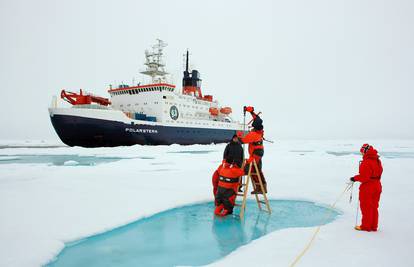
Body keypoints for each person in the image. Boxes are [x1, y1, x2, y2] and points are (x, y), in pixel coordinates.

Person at [350, 144, 383, 232]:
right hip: (377, 185)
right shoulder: (377, 160)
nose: (361, 154)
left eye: (362, 152)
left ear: (365, 152)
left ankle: (366, 226)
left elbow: (364, 177)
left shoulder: (366, 162)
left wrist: (354, 178)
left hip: (368, 187)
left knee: (366, 207)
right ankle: (373, 226)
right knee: (374, 207)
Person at [237, 106, 267, 194]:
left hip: (255, 154)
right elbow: (257, 119)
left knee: (247, 169)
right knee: (257, 170)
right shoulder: (260, 131)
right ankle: (261, 187)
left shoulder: (254, 134)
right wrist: (251, 111)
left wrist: (239, 135)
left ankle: (238, 186)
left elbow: (242, 141)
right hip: (258, 153)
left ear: (254, 127)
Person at [213, 135, 245, 216]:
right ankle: (221, 205)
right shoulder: (229, 145)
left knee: (234, 180)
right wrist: (224, 161)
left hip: (237, 164)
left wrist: (241, 164)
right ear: (232, 139)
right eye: (234, 138)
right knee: (225, 184)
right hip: (229, 163)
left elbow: (242, 156)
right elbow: (225, 154)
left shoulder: (240, 147)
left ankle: (238, 188)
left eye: (236, 138)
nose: (235, 139)